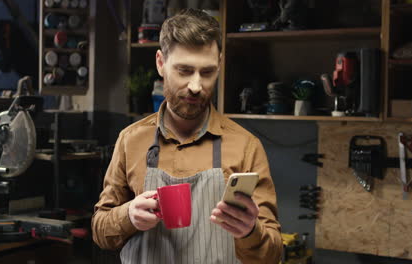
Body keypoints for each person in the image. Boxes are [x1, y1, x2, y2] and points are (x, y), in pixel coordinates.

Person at [91, 8, 282, 264]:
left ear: (220, 65)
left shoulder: (246, 146)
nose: (196, 86)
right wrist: (128, 216)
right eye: (184, 71)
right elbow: (100, 232)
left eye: (207, 72)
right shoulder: (130, 140)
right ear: (161, 63)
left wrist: (250, 232)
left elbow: (272, 254)